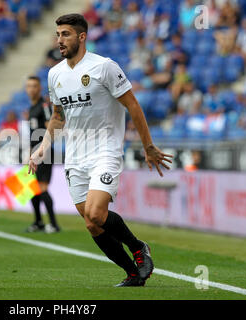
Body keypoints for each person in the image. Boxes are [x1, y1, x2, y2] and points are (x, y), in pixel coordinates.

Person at [28, 14, 173, 287]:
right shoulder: (54, 74)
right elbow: (58, 116)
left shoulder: (104, 67)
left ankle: (138, 246)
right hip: (75, 156)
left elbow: (132, 105)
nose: (59, 40)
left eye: (66, 34)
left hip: (104, 151)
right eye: (58, 34)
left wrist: (148, 145)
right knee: (92, 224)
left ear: (82, 37)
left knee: (96, 213)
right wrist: (42, 148)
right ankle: (133, 273)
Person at [25, 76, 60, 234]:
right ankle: (38, 222)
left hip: (44, 152)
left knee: (42, 187)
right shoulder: (31, 108)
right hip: (34, 152)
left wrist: (42, 150)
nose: (31, 89)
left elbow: (49, 127)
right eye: (29, 86)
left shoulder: (44, 105)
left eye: (34, 86)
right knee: (32, 188)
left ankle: (53, 224)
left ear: (39, 88)